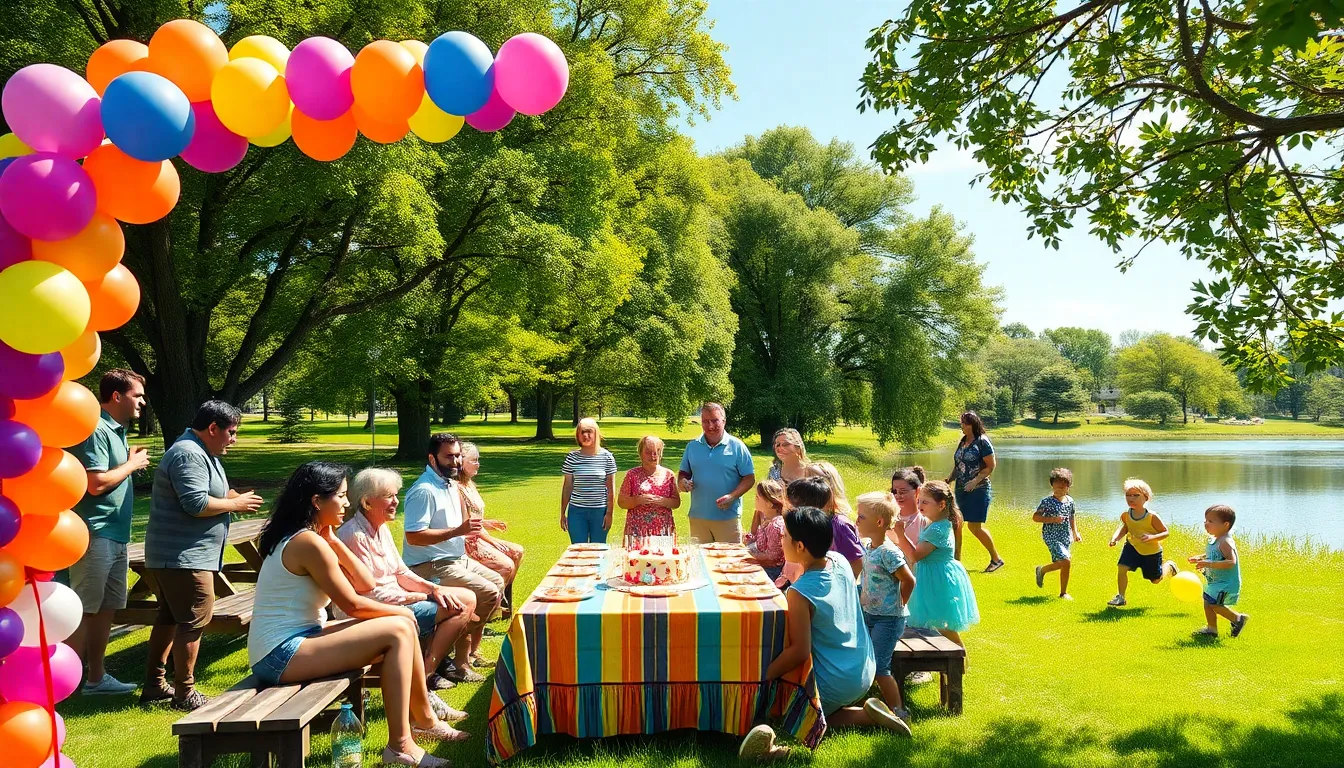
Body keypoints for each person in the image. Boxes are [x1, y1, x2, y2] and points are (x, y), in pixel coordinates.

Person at [247, 462, 464, 768]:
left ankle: (423, 724)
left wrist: (334, 540)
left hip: (298, 641)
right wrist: (402, 614)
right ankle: (403, 743)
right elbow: (353, 604)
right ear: (316, 501)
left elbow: (365, 583)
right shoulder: (306, 542)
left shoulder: (314, 537)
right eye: (342, 496)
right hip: (279, 654)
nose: (347, 504)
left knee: (399, 625)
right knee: (398, 628)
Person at [737, 506, 910, 762]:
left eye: (785, 536)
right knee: (818, 711)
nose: (781, 539)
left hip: (837, 680)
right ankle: (867, 715)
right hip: (864, 667)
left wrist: (764, 677)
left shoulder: (800, 592)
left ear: (800, 547)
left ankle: (775, 746)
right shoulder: (838, 561)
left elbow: (798, 651)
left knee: (786, 717)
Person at [142, 400, 264, 711]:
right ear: (212, 428)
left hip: (176, 555)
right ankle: (185, 694)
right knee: (194, 621)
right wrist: (234, 506)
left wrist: (234, 497)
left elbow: (209, 494)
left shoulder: (199, 451)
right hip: (184, 557)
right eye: (231, 432)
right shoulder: (188, 454)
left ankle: (155, 685)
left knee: (171, 617)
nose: (233, 439)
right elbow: (195, 504)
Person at [338, 467, 479, 698]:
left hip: (396, 602)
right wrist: (423, 596)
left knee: (466, 597)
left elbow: (401, 572)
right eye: (388, 496)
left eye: (395, 495)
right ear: (366, 503)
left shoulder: (380, 527)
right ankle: (425, 680)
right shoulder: (354, 536)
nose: (396, 501)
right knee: (460, 606)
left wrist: (435, 588)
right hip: (374, 612)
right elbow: (370, 593)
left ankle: (426, 674)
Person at [67, 369, 149, 695]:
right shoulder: (96, 429)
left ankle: (96, 678)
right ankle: (66, 686)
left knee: (106, 608)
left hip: (116, 535)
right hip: (95, 534)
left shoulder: (117, 430)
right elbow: (95, 483)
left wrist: (127, 459)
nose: (142, 402)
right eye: (137, 396)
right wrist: (132, 465)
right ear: (117, 396)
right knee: (83, 610)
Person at [402, 433, 502, 683]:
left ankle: (456, 659)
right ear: (432, 458)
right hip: (430, 565)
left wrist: (475, 526)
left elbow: (458, 524)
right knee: (487, 593)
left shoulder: (449, 484)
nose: (456, 461)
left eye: (458, 455)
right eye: (449, 456)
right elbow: (414, 536)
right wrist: (459, 531)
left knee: (497, 584)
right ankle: (442, 657)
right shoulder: (424, 491)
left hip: (456, 559)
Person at [854, 492, 916, 726]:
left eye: (861, 516)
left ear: (879, 522)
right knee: (867, 659)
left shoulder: (888, 552)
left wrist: (901, 603)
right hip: (870, 614)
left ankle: (899, 711)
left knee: (880, 666)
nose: (857, 520)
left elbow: (908, 580)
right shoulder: (870, 546)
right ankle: (870, 702)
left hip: (888, 619)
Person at [905, 481, 980, 652]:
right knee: (933, 621)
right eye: (919, 501)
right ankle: (935, 660)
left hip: (937, 579)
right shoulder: (935, 523)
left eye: (925, 502)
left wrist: (900, 535)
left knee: (943, 624)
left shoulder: (938, 528)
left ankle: (958, 663)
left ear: (941, 505)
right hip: (931, 575)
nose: (920, 505)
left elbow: (916, 555)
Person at [459, 441, 524, 632]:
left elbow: (475, 516)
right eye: (474, 460)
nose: (478, 464)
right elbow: (465, 523)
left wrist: (487, 523)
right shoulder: (457, 488)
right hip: (468, 541)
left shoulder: (470, 484)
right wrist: (492, 540)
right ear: (462, 462)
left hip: (480, 534)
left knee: (517, 551)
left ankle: (502, 605)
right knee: (505, 565)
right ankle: (486, 611)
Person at [677, 402, 755, 544]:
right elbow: (683, 474)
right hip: (698, 517)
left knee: (729, 564)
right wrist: (683, 483)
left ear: (724, 421)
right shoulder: (692, 446)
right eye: (705, 421)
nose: (710, 426)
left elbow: (749, 478)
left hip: (727, 519)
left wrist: (732, 496)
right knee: (699, 562)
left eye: (715, 420)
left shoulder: (737, 446)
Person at [1106, 478, 1178, 607]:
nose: (1131, 498)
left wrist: (1151, 538)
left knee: (1155, 580)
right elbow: (1125, 527)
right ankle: (1121, 597)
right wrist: (1115, 538)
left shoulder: (1152, 516)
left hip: (1151, 551)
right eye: (1128, 495)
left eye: (1135, 495)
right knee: (1122, 568)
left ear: (1146, 497)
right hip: (1132, 547)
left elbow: (1165, 532)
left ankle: (1169, 566)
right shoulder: (1126, 515)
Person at [947, 411, 1003, 572]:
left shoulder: (982, 442)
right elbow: (959, 465)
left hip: (978, 489)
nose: (962, 426)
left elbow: (990, 466)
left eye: (964, 423)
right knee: (956, 523)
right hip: (961, 489)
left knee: (974, 527)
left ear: (972, 424)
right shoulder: (963, 441)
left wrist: (974, 481)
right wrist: (949, 479)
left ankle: (996, 559)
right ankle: (956, 561)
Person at [1188, 504, 1248, 638]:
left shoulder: (1226, 542)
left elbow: (1231, 562)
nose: (1206, 524)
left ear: (1225, 525)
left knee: (1215, 604)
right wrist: (1201, 557)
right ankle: (1211, 629)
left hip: (1225, 583)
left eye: (1210, 521)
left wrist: (1209, 563)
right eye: (1205, 520)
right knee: (1207, 602)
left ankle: (1238, 619)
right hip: (1215, 581)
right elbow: (1214, 553)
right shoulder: (1216, 539)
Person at [560, 417, 618, 545]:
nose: (586, 435)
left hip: (599, 511)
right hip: (577, 511)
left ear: (596, 433)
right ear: (578, 435)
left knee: (598, 550)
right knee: (578, 549)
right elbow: (567, 487)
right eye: (582, 432)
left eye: (589, 432)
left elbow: (611, 488)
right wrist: (563, 513)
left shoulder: (607, 457)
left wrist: (609, 513)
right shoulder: (572, 458)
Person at [617, 434, 681, 539]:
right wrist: (638, 500)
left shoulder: (668, 475)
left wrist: (661, 501)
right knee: (636, 555)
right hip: (637, 529)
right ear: (640, 453)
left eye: (656, 452)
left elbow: (676, 502)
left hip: (662, 529)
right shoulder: (632, 475)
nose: (653, 456)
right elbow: (621, 502)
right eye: (648, 452)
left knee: (664, 555)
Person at [1033, 468, 1082, 600]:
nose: (1060, 488)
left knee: (1062, 563)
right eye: (1057, 485)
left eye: (1063, 485)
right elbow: (1036, 517)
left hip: (1066, 537)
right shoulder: (1047, 502)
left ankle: (1042, 571)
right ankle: (1063, 593)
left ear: (1068, 487)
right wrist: (1052, 519)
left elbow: (1072, 517)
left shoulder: (1070, 501)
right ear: (1052, 485)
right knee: (1066, 561)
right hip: (1051, 536)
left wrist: (1075, 532)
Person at [745, 479, 786, 581]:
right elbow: (761, 542)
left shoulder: (775, 525)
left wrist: (747, 555)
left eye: (758, 497)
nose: (755, 499)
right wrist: (749, 540)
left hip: (771, 572)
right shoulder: (766, 518)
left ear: (770, 504)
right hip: (762, 565)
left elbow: (772, 558)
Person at [888, 466, 928, 551]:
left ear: (917, 491)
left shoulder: (925, 522)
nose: (898, 496)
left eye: (903, 491)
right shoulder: (887, 520)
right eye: (894, 491)